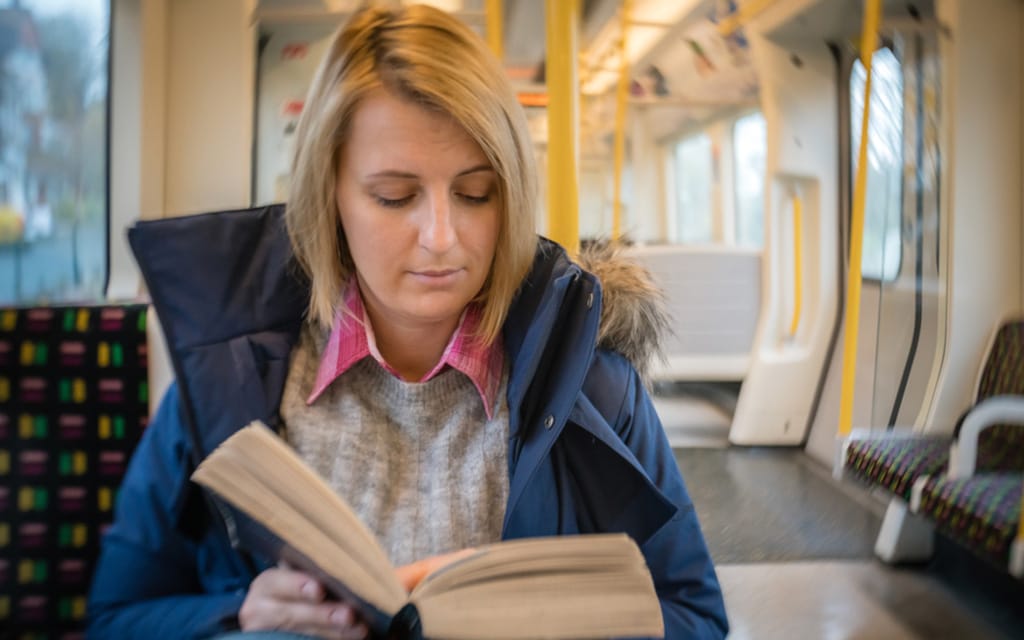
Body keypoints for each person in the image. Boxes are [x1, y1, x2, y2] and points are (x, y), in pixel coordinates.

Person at [88, 3, 729, 639]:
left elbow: (694, 615)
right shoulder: (225, 386)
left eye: (476, 194)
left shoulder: (591, 383)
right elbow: (116, 618)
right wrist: (240, 613)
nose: (442, 237)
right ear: (329, 194)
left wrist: (541, 619)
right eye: (394, 197)